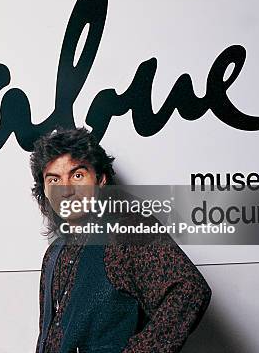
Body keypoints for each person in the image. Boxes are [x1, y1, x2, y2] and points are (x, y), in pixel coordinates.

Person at [31, 127, 211, 352]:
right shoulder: (54, 253)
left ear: (101, 179)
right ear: (45, 190)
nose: (65, 190)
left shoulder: (128, 229)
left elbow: (190, 289)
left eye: (77, 175)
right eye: (54, 180)